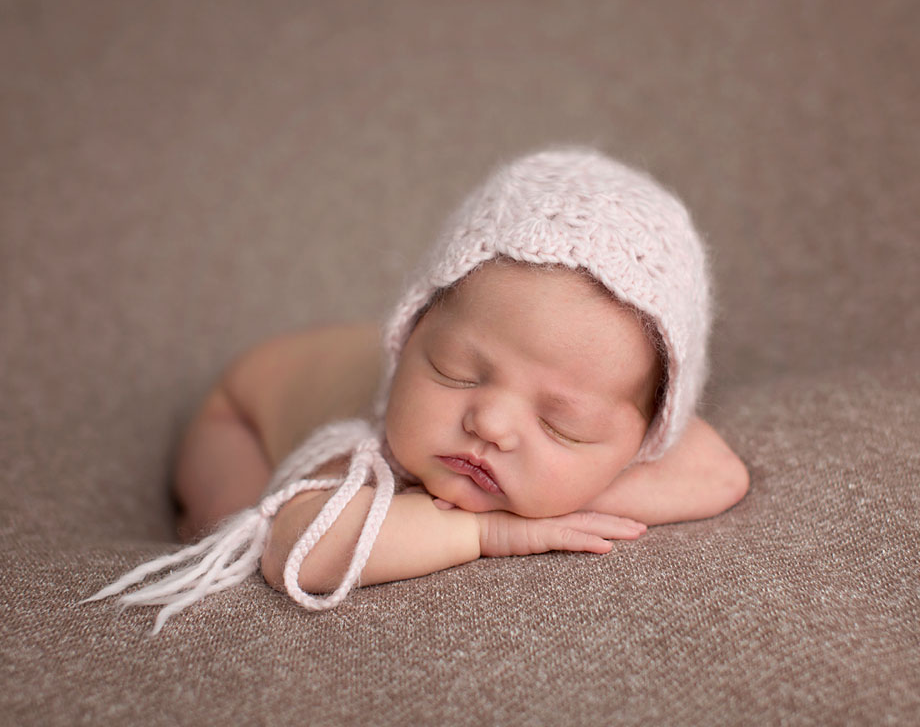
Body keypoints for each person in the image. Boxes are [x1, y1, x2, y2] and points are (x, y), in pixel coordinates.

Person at [85, 147, 748, 633]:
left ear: (642, 437)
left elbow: (718, 474)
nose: (490, 422)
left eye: (561, 425)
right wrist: (488, 532)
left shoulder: (628, 425)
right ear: (410, 337)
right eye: (458, 371)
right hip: (242, 412)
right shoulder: (368, 448)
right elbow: (303, 544)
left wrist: (558, 489)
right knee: (238, 534)